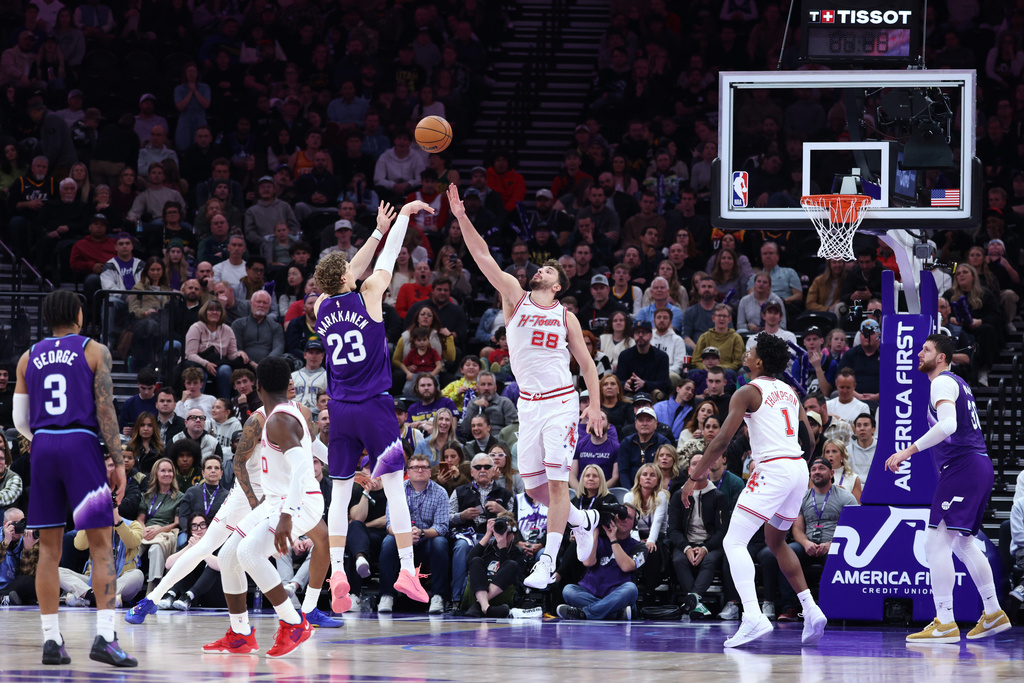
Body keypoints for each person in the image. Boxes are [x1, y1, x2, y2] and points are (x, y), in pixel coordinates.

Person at [447, 183, 608, 591]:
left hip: (561, 403)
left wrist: (593, 405)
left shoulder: (565, 316)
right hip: (529, 407)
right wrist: (462, 217)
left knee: (556, 485)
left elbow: (587, 365)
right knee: (535, 488)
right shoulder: (515, 298)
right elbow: (482, 256)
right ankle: (584, 519)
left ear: (557, 286)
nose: (541, 270)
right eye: (542, 268)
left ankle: (548, 560)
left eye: (549, 271)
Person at [313, 200, 435, 614]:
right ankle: (405, 570)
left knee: (339, 496)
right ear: (349, 276)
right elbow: (380, 262)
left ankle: (339, 574)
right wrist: (399, 221)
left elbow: (349, 269)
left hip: (340, 410)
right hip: (375, 406)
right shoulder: (369, 293)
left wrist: (374, 232)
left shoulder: (319, 306)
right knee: (396, 488)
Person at [12, 290, 137, 666]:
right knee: (101, 545)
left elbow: (20, 421)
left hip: (44, 446)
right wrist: (117, 461)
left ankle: (52, 642)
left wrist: (47, 441)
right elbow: (106, 411)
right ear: (78, 314)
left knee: (47, 549)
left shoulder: (27, 357)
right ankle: (104, 637)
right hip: (81, 444)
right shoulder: (93, 350)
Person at [681, 333, 827, 648]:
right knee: (776, 541)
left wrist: (694, 476)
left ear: (758, 361)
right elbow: (811, 441)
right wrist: (794, 464)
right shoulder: (789, 390)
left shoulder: (747, 391)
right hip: (797, 467)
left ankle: (752, 615)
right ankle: (811, 609)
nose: (745, 354)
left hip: (773, 469)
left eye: (749, 351)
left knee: (734, 541)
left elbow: (721, 440)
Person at [886, 334, 1010, 643]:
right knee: (962, 544)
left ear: (941, 357)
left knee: (935, 542)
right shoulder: (958, 383)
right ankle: (993, 612)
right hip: (977, 465)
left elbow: (948, 426)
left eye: (925, 350)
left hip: (963, 467)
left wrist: (906, 451)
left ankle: (944, 620)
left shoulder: (941, 382)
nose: (919, 353)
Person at [203, 357, 324, 658]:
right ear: (288, 385)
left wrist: (286, 517)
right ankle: (241, 634)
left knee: (248, 553)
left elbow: (299, 471)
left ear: (257, 387)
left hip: (297, 502)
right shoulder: (288, 414)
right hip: (279, 500)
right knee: (229, 554)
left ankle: (294, 623)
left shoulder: (279, 420)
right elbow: (311, 449)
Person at [779, 457, 859, 621]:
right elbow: (798, 529)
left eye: (821, 468)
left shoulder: (846, 497)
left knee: (836, 557)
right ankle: (790, 608)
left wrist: (831, 544)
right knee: (788, 553)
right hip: (808, 545)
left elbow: (854, 529)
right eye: (813, 469)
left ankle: (831, 609)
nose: (816, 472)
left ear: (831, 473)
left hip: (835, 545)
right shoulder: (802, 498)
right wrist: (806, 543)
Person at [556, 503, 647, 621]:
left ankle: (585, 613)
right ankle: (616, 613)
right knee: (568, 590)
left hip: (617, 593)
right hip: (591, 591)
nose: (623, 519)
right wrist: (595, 532)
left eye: (628, 517)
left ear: (634, 524)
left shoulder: (640, 547)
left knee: (631, 589)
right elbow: (588, 562)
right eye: (620, 516)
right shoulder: (598, 539)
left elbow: (627, 567)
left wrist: (613, 539)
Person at [669, 451, 730, 619]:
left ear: (709, 469)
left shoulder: (719, 496)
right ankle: (697, 603)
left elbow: (722, 530)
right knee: (678, 560)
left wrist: (705, 548)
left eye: (703, 463)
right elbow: (673, 530)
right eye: (695, 464)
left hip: (711, 544)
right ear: (689, 471)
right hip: (685, 543)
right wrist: (687, 547)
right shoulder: (678, 495)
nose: (699, 467)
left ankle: (692, 601)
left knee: (710, 560)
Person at [850, 413, 876, 484]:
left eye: (866, 425)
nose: (862, 428)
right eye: (858, 426)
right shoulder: (847, 450)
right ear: (855, 430)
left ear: (873, 429)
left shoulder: (881, 450)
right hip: (853, 489)